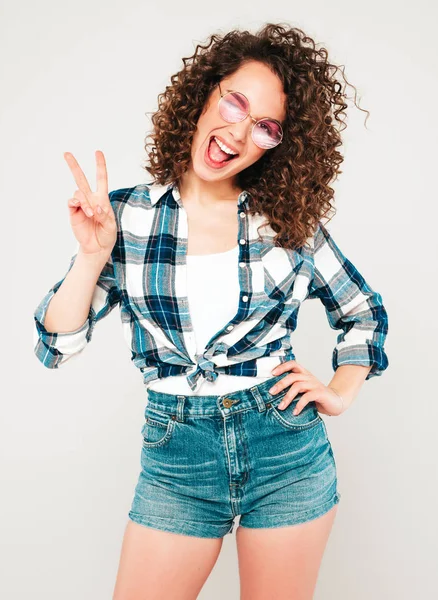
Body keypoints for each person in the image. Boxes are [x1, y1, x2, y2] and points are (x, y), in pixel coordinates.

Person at [33, 22, 389, 600]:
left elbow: (363, 312)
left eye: (265, 127)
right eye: (235, 102)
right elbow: (56, 344)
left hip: (285, 449)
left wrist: (340, 392)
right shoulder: (126, 217)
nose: (238, 132)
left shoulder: (287, 225)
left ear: (280, 145)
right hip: (178, 454)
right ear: (204, 93)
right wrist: (91, 255)